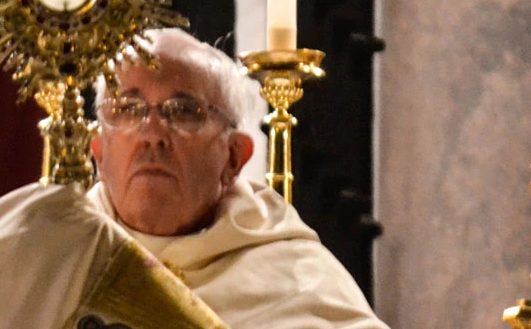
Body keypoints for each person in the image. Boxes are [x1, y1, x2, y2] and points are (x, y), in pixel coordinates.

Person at [86, 27, 389, 328]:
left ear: (233, 157)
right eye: (126, 109)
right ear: (98, 151)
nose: (152, 134)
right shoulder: (64, 255)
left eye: (182, 111)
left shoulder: (295, 276)